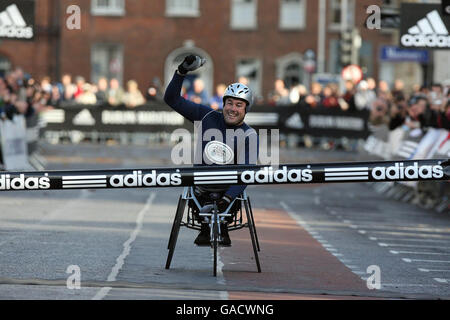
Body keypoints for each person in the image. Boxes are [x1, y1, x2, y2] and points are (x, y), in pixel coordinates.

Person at [164, 54, 259, 247]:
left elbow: (248, 171)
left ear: (246, 110)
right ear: (223, 104)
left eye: (239, 105)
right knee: (197, 190)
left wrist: (228, 198)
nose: (233, 109)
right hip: (200, 185)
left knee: (233, 189)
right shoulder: (206, 115)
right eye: (229, 103)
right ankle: (205, 226)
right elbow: (172, 99)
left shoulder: (249, 134)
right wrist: (181, 71)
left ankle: (221, 225)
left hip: (229, 191)